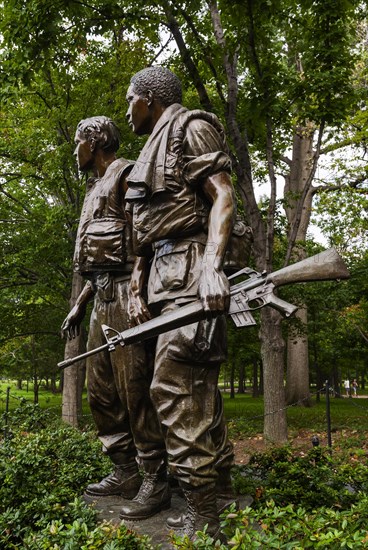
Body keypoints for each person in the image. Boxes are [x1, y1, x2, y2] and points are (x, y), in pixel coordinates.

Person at [119, 66, 236, 540]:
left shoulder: (191, 127)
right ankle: (220, 485)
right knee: (188, 387)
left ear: (149, 97)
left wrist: (212, 265)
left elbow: (223, 196)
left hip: (192, 271)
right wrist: (135, 287)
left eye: (130, 100)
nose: (127, 111)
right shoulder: (150, 150)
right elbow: (147, 236)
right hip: (161, 280)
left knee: (176, 387)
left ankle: (204, 514)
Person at [61, 116, 167, 506]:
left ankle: (155, 477)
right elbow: (100, 258)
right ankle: (125, 471)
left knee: (134, 390)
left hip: (126, 295)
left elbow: (144, 238)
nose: (75, 151)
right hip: (101, 299)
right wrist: (79, 305)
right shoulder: (92, 190)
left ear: (96, 140)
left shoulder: (128, 174)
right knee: (100, 392)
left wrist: (138, 291)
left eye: (78, 143)